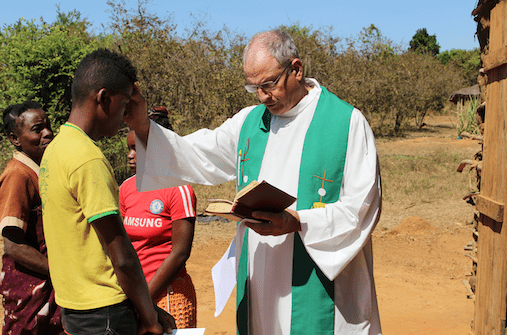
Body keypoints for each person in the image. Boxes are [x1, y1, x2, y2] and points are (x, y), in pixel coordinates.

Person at [126, 29, 382, 335]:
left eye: (269, 85)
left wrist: (297, 221)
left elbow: (363, 206)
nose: (262, 96)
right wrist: (142, 125)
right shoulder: (249, 122)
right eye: (254, 87)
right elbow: (195, 154)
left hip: (321, 283)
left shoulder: (346, 123)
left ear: (296, 69)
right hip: (260, 278)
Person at [39, 49, 175, 335]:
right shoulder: (87, 159)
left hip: (75, 307)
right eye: (124, 104)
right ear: (103, 98)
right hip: (106, 314)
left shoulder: (56, 150)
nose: (127, 116)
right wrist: (149, 317)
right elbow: (121, 255)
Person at [120, 125, 198, 329]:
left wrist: (144, 298)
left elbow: (180, 252)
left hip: (169, 295)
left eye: (137, 149)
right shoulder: (126, 188)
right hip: (134, 296)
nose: (130, 156)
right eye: (129, 149)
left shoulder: (178, 189)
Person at [0, 101, 63, 335]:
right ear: (15, 139)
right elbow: (14, 246)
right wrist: (61, 272)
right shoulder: (18, 175)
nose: (48, 133)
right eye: (37, 129)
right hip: (31, 291)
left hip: (47, 287)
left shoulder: (40, 172)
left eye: (48, 126)